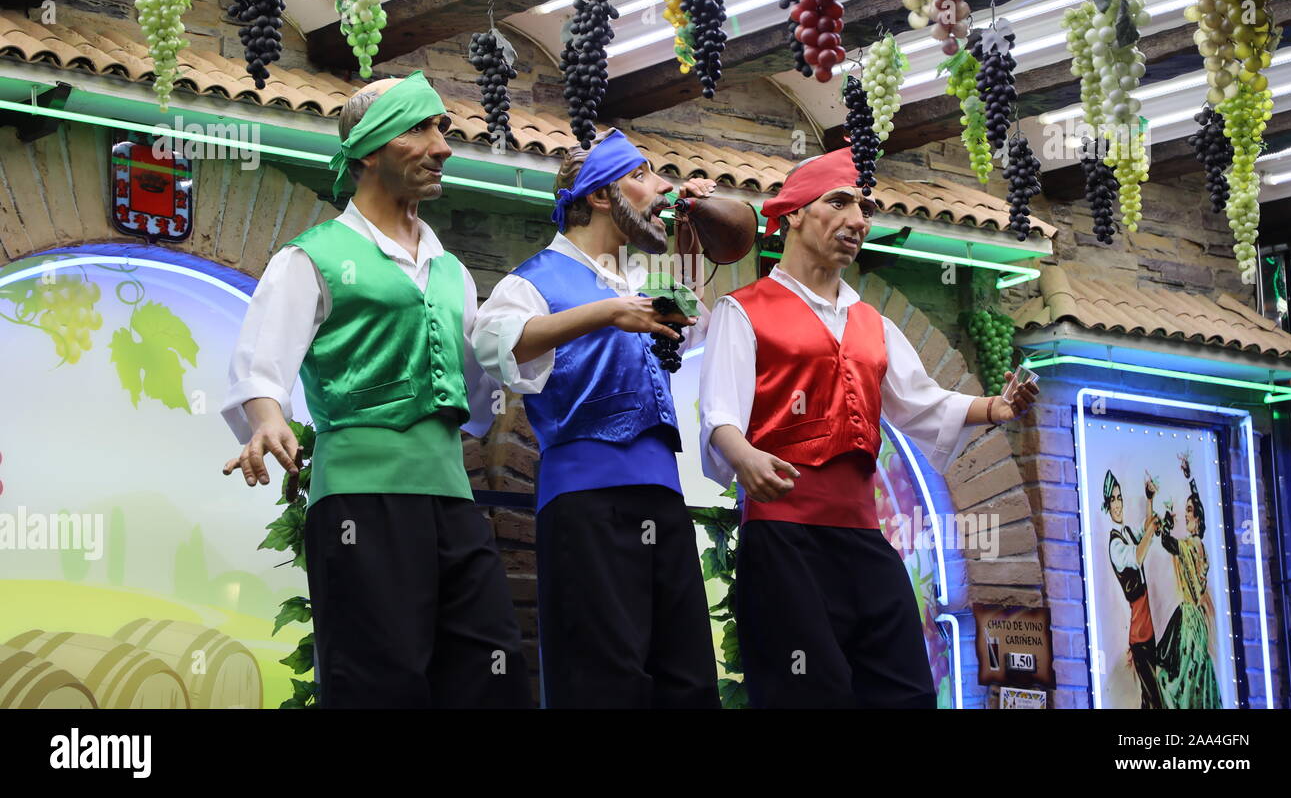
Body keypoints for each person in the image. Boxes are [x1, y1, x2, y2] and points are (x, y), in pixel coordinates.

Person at [220, 70, 530, 708]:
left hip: (450, 501)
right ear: (368, 149)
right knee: (375, 681)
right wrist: (267, 418)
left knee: (490, 674)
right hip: (362, 502)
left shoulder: (451, 272)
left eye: (443, 128)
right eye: (421, 128)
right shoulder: (314, 257)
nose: (443, 145)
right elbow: (260, 365)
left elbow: (473, 391)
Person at [699, 149, 1038, 708]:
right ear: (794, 216)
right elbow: (721, 415)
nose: (859, 220)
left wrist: (994, 408)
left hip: (863, 537)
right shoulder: (745, 309)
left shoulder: (870, 322)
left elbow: (920, 403)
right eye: (840, 202)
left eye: (866, 208)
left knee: (903, 691)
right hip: (785, 537)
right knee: (804, 693)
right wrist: (745, 457)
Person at [471, 128, 720, 708]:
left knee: (685, 676)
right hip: (586, 502)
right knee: (602, 678)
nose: (661, 186)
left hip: (662, 497)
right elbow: (495, 343)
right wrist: (605, 313)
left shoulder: (641, 283)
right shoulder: (536, 279)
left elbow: (694, 320)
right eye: (643, 175)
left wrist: (687, 231)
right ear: (602, 195)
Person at [1154, 478, 1222, 708]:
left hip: (1190, 625)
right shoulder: (1202, 548)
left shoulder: (1189, 546)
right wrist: (1191, 478)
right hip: (1197, 622)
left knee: (1178, 678)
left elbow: (1166, 542)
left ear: (1198, 518)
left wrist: (1166, 524)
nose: (1186, 515)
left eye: (1189, 511)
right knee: (1196, 674)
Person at [1101, 470, 1164, 709]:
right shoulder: (1116, 544)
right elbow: (1138, 556)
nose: (1117, 504)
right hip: (1139, 632)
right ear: (1107, 505)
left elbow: (1145, 529)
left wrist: (1149, 499)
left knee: (1150, 698)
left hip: (1148, 626)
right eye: (1113, 499)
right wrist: (1151, 530)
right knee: (1153, 697)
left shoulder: (1126, 533)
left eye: (1119, 498)